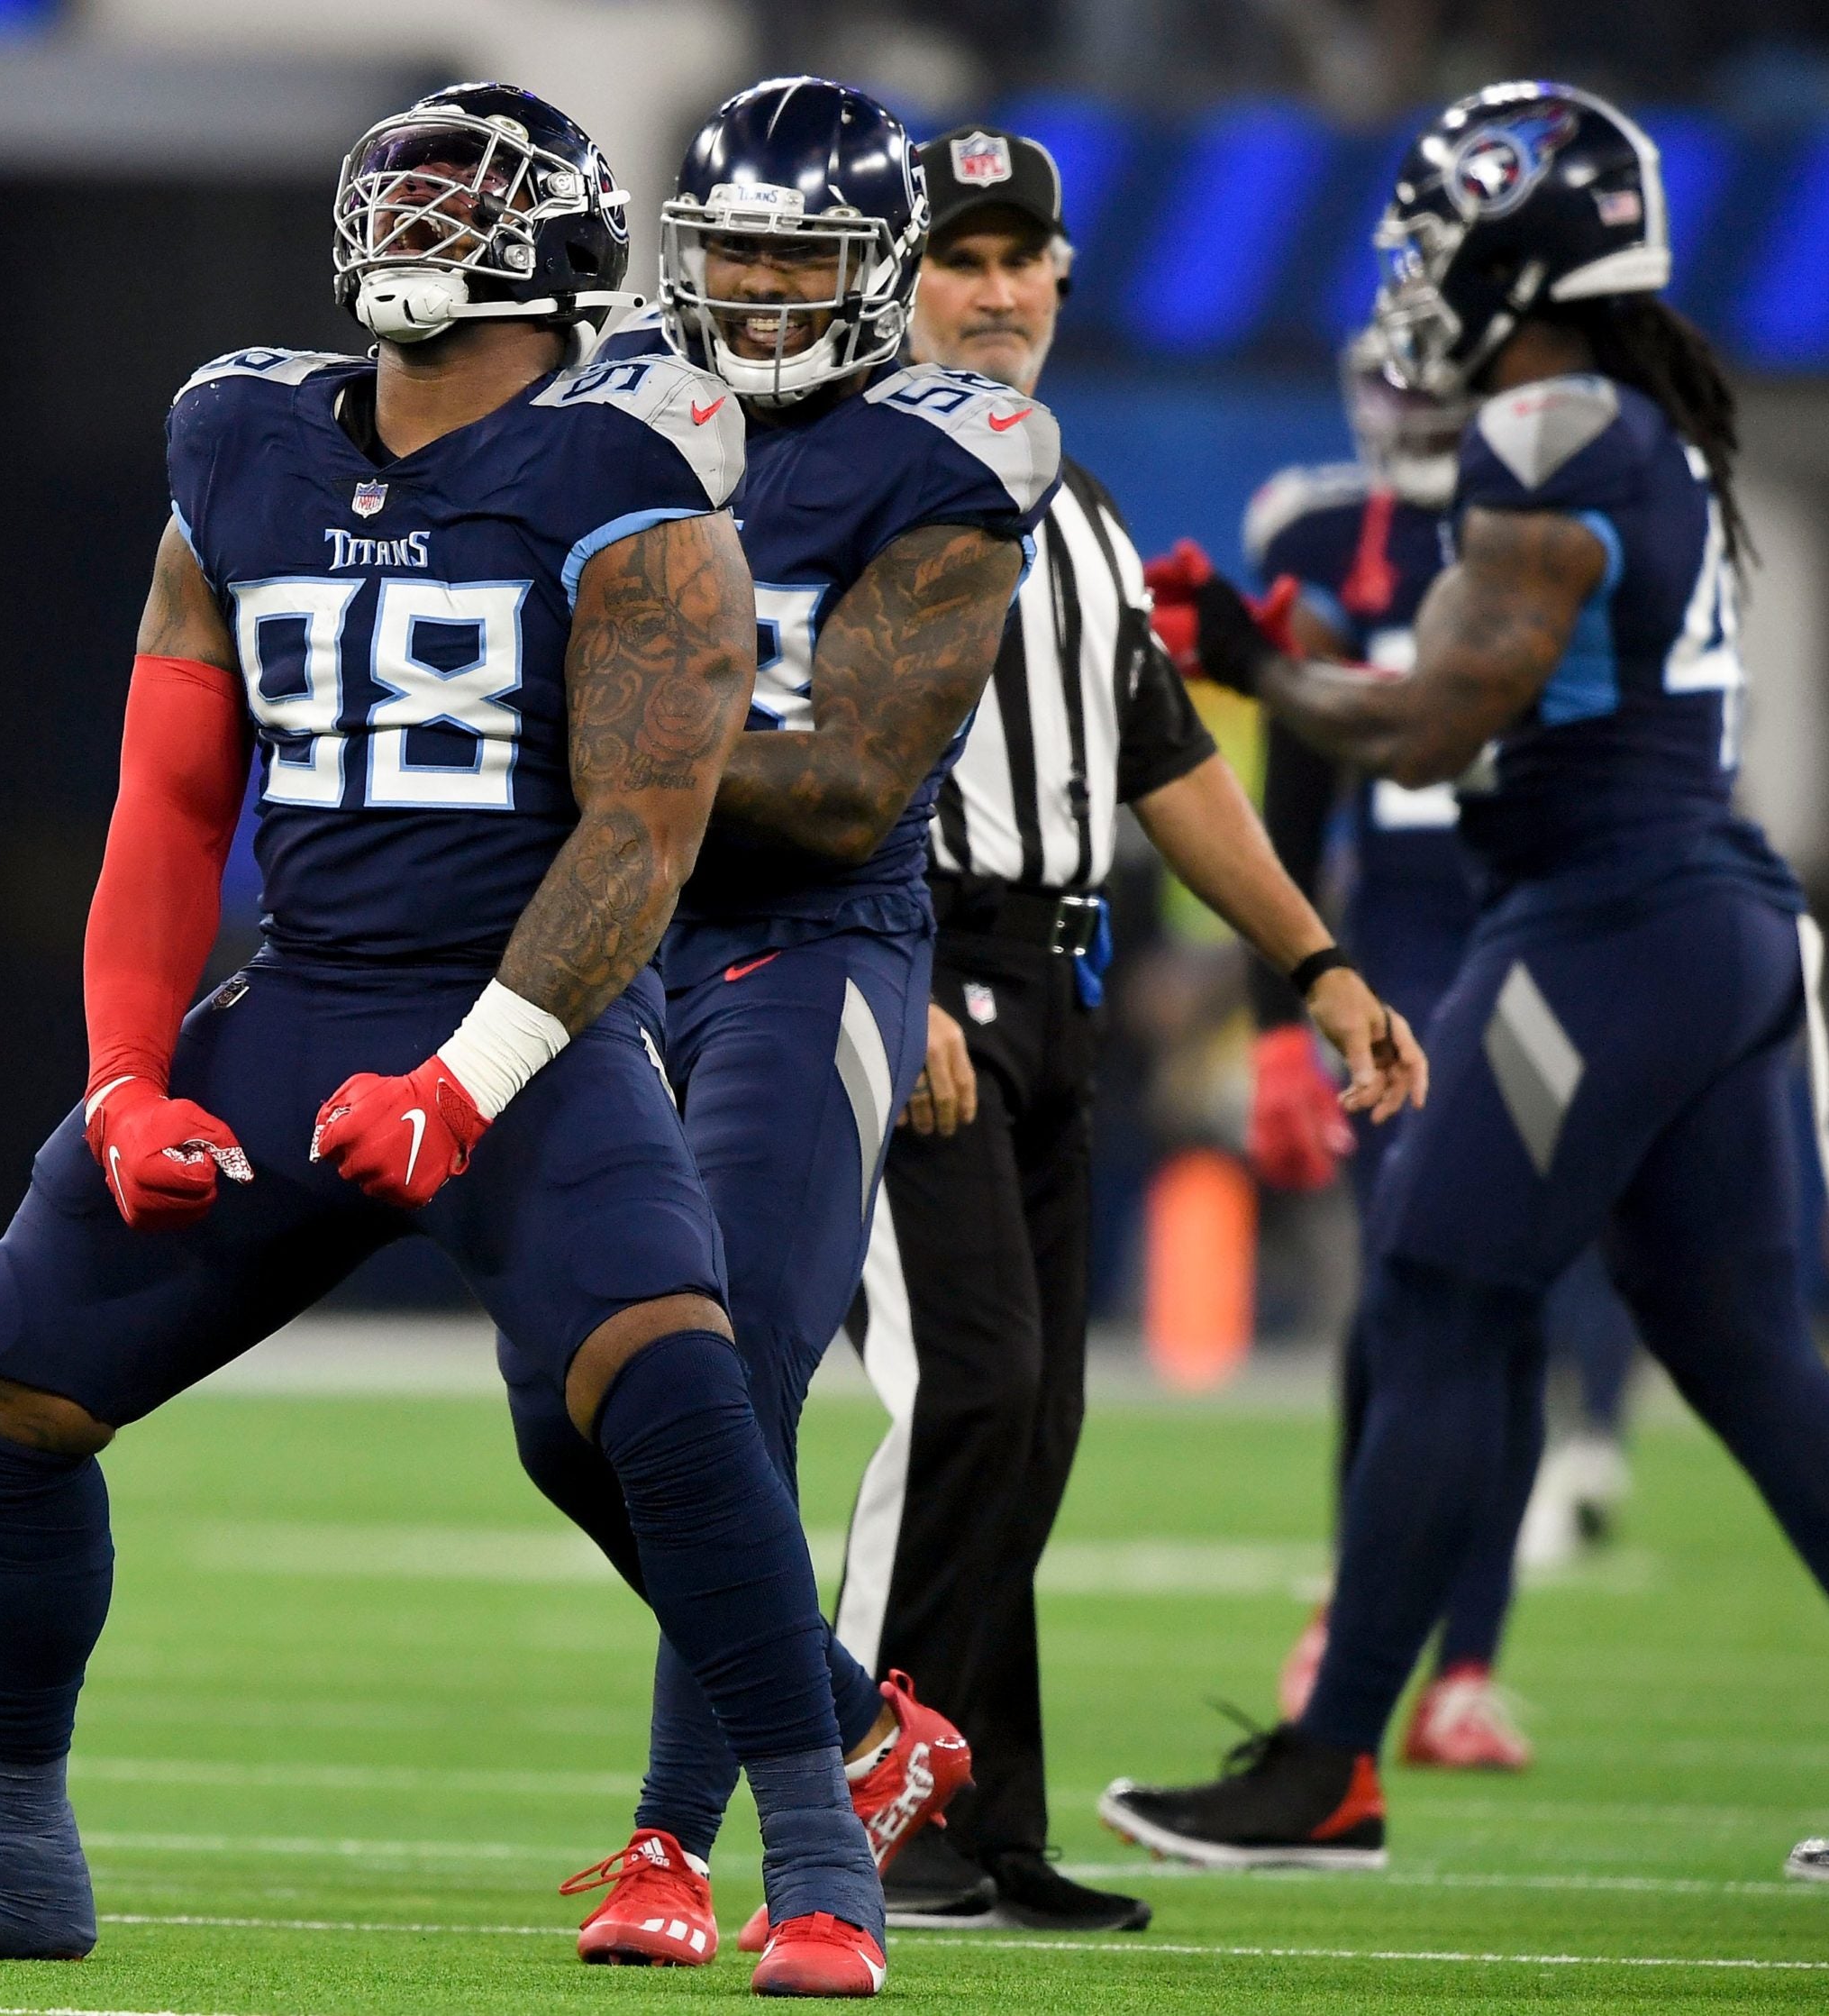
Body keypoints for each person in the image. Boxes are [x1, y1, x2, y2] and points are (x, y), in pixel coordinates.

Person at [0, 84, 901, 1997]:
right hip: (302, 1001)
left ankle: (817, 1854)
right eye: (408, 185)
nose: (419, 217)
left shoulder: (626, 460)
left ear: (554, 250)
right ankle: (4, 1850)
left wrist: (465, 1078)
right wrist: (124, 1081)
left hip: (530, 1013)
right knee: (3, 1394)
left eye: (467, 196)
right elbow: (166, 803)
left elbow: (642, 830)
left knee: (662, 1375)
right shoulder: (240, 438)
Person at [1100, 81, 1829, 1884]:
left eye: (1439, 228)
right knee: (1740, 1350)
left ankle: (1331, 1757)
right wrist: (1285, 662)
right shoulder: (1622, 422)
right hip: (1698, 923)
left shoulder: (1541, 424)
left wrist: (1250, 666)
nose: (1415, 266)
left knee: (1439, 1289)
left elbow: (1438, 715)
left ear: (1519, 244)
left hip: (1605, 921)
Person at [812, 127, 1426, 1936]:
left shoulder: (1063, 501)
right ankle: (847, 1793)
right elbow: (789, 745)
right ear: (894, 278)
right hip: (914, 960)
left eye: (1019, 257)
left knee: (1032, 1418)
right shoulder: (840, 475)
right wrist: (890, 956)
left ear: (1062, 278)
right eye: (956, 256)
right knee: (962, 1392)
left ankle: (978, 1811)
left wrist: (1315, 962)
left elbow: (1161, 758)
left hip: (1055, 990)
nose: (991, 290)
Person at [512, 78, 1062, 1973]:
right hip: (605, 940)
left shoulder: (949, 447)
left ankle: (730, 1849)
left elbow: (838, 785)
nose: (749, 285)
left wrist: (618, 748)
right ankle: (853, 1719)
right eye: (728, 243)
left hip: (805, 938)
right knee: (558, 1403)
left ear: (875, 273)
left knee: (722, 1369)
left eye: (793, 253)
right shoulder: (595, 410)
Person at [1188, 331, 1642, 1769]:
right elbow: (1296, 790)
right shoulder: (1323, 530)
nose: (1414, 407)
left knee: (1498, 1304)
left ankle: (1467, 1662)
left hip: (1537, 938)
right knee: (1408, 1292)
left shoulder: (1570, 522)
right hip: (1402, 950)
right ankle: (1363, 1593)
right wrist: (1278, 1026)